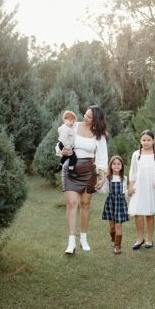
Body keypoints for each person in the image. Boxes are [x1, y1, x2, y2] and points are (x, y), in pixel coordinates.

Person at [58, 105, 109, 254]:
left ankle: (84, 238)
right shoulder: (73, 126)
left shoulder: (99, 135)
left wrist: (102, 177)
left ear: (96, 120)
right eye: (85, 114)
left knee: (85, 205)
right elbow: (60, 142)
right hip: (70, 169)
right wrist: (61, 150)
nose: (85, 117)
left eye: (89, 116)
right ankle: (71, 242)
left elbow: (101, 158)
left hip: (88, 171)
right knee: (72, 204)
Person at [128, 130, 155, 250]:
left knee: (149, 213)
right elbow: (133, 173)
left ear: (153, 141)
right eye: (144, 140)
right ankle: (139, 238)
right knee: (138, 212)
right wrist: (130, 187)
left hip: (152, 187)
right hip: (138, 186)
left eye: (149, 140)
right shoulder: (136, 155)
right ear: (140, 141)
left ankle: (149, 239)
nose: (146, 142)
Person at [57, 110, 79, 176]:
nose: (72, 123)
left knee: (65, 156)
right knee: (73, 157)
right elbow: (64, 139)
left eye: (73, 121)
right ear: (65, 119)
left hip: (65, 145)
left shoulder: (67, 128)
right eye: (70, 121)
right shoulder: (65, 129)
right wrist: (68, 148)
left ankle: (60, 165)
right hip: (65, 145)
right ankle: (71, 171)